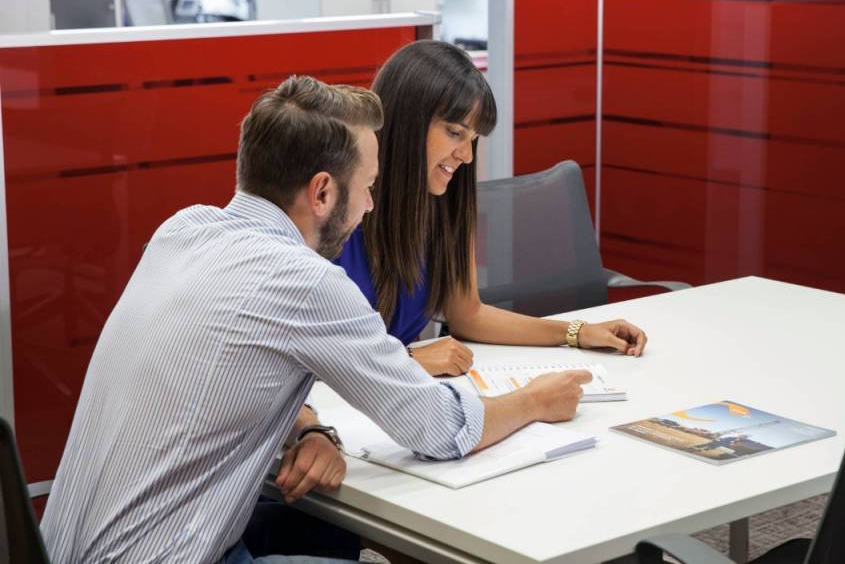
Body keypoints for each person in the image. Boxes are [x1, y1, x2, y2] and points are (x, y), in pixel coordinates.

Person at [40, 76, 592, 563]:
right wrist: (535, 401)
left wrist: (309, 426)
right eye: (368, 188)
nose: (371, 206)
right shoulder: (308, 283)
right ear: (324, 191)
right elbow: (441, 430)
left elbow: (223, 383)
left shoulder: (181, 231)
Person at [333, 41, 648, 377]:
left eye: (473, 138)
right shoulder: (336, 211)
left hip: (401, 396)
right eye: (454, 132)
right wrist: (409, 360)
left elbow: (468, 315)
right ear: (406, 125)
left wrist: (577, 332)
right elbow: (301, 351)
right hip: (333, 408)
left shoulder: (445, 202)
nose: (466, 155)